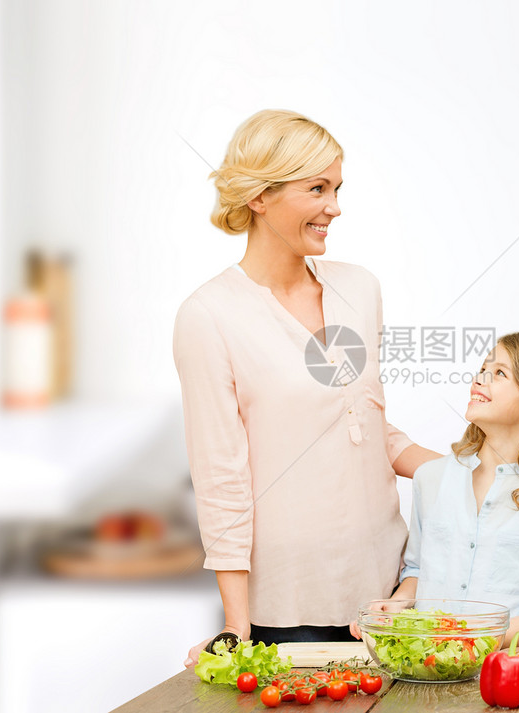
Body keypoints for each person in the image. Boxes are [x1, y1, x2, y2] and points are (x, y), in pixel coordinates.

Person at [174, 109, 440, 666]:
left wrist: (462, 470)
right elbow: (221, 475)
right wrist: (236, 626)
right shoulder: (209, 315)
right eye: (317, 188)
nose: (335, 207)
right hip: (287, 608)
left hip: (390, 596)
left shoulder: (358, 288)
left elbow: (362, 421)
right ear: (259, 196)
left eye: (337, 188)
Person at [355, 332, 519, 644]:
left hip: (505, 676)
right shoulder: (431, 478)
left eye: (499, 373)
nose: (480, 378)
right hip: (427, 667)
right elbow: (417, 572)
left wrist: (468, 638)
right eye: (483, 369)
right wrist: (395, 606)